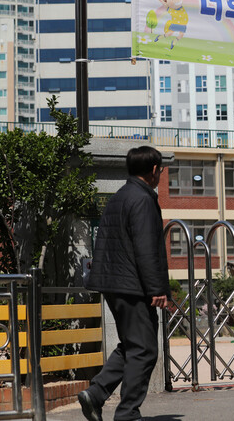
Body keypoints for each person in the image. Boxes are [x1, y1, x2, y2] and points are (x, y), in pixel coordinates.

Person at [78, 146, 170, 421]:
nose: (161, 174)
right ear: (154, 170)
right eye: (161, 170)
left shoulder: (119, 197)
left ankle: (95, 394)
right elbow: (145, 248)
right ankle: (128, 413)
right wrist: (156, 288)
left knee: (132, 345)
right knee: (144, 350)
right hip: (132, 286)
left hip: (114, 284)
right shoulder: (142, 199)